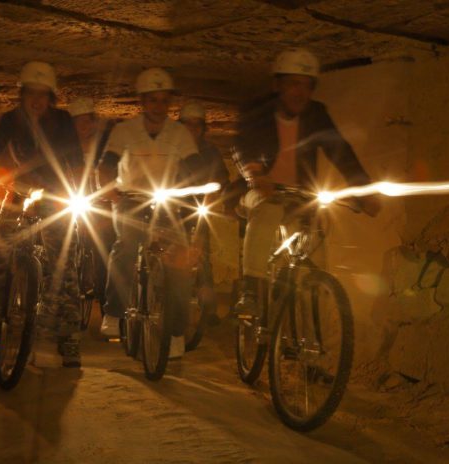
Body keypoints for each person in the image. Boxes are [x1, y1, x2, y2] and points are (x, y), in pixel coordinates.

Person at [234, 48, 381, 315]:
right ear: (277, 85)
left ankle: (305, 320)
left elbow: (341, 151)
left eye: (307, 86)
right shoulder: (258, 110)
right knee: (267, 212)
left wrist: (364, 190)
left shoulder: (316, 114)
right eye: (293, 84)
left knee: (315, 244)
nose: (300, 92)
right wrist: (255, 173)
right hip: (261, 190)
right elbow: (243, 144)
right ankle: (251, 289)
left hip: (300, 194)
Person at [0, 61, 85, 368]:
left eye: (43, 94)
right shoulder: (8, 121)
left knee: (64, 263)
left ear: (51, 97)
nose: (37, 100)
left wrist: (75, 190)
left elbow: (75, 160)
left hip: (55, 194)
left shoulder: (63, 121)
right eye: (31, 93)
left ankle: (69, 338)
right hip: (19, 191)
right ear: (22, 94)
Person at [96, 67, 200, 359]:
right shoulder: (124, 131)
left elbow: (194, 165)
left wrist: (200, 188)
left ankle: (176, 332)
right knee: (127, 246)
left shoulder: (178, 133)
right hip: (131, 199)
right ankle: (115, 314)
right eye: (152, 100)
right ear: (142, 102)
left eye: (163, 100)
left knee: (180, 261)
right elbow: (107, 165)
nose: (158, 106)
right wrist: (109, 190)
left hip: (167, 202)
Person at [178, 101, 230, 326]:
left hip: (199, 205)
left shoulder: (210, 152)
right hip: (172, 205)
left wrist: (211, 198)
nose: (192, 130)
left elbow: (219, 177)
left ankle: (208, 308)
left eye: (196, 125)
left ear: (203, 128)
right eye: (187, 125)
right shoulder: (171, 149)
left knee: (203, 256)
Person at [67, 97, 117, 310]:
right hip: (72, 199)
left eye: (88, 121)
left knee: (103, 245)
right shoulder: (65, 147)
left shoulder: (105, 146)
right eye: (79, 122)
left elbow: (111, 172)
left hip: (98, 202)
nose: (84, 126)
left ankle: (104, 297)